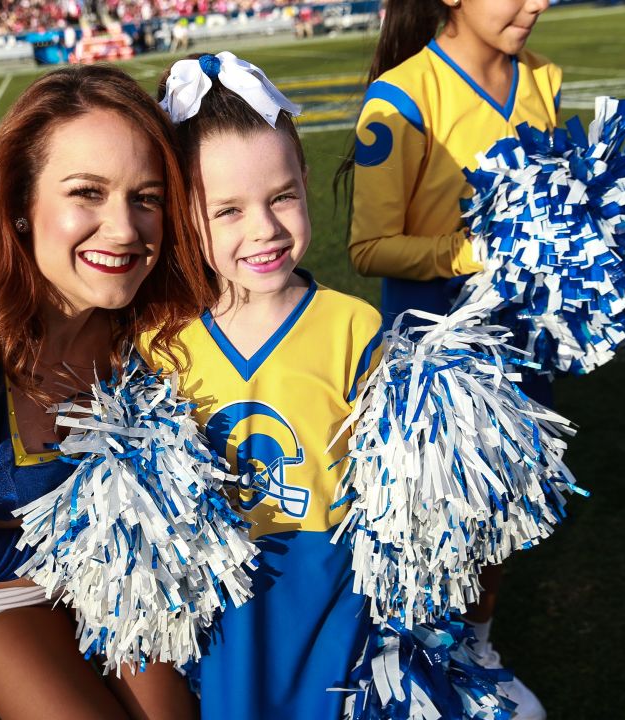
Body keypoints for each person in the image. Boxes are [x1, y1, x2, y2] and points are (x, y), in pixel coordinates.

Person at [0, 65, 215, 720]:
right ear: (21, 204)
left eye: (147, 197)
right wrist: (85, 542)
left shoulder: (162, 312)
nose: (124, 229)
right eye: (87, 192)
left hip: (115, 556)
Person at [336, 0, 562, 717]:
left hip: (520, 345)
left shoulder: (541, 76)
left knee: (502, 513)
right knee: (433, 532)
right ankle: (415, 679)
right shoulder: (399, 98)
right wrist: (473, 251)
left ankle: (477, 649)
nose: (538, 4)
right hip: (438, 364)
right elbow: (368, 247)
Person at [145, 52, 384, 719]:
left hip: (334, 617)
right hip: (220, 628)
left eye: (281, 196)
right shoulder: (157, 342)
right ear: (185, 215)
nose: (265, 229)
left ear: (305, 181)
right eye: (227, 211)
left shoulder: (354, 327)